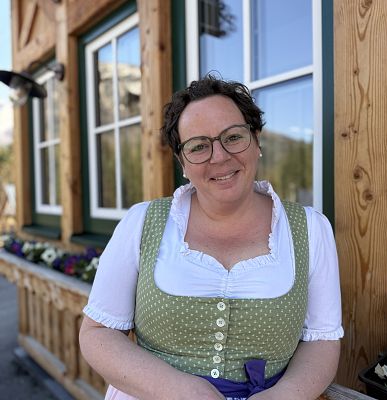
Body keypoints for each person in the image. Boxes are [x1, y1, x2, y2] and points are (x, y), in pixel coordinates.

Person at [79, 75, 343, 400]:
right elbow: (98, 333)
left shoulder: (310, 228)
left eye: (233, 137)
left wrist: (282, 396)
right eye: (199, 146)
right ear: (182, 162)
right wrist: (180, 390)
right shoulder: (142, 222)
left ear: (256, 140)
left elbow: (322, 340)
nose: (219, 157)